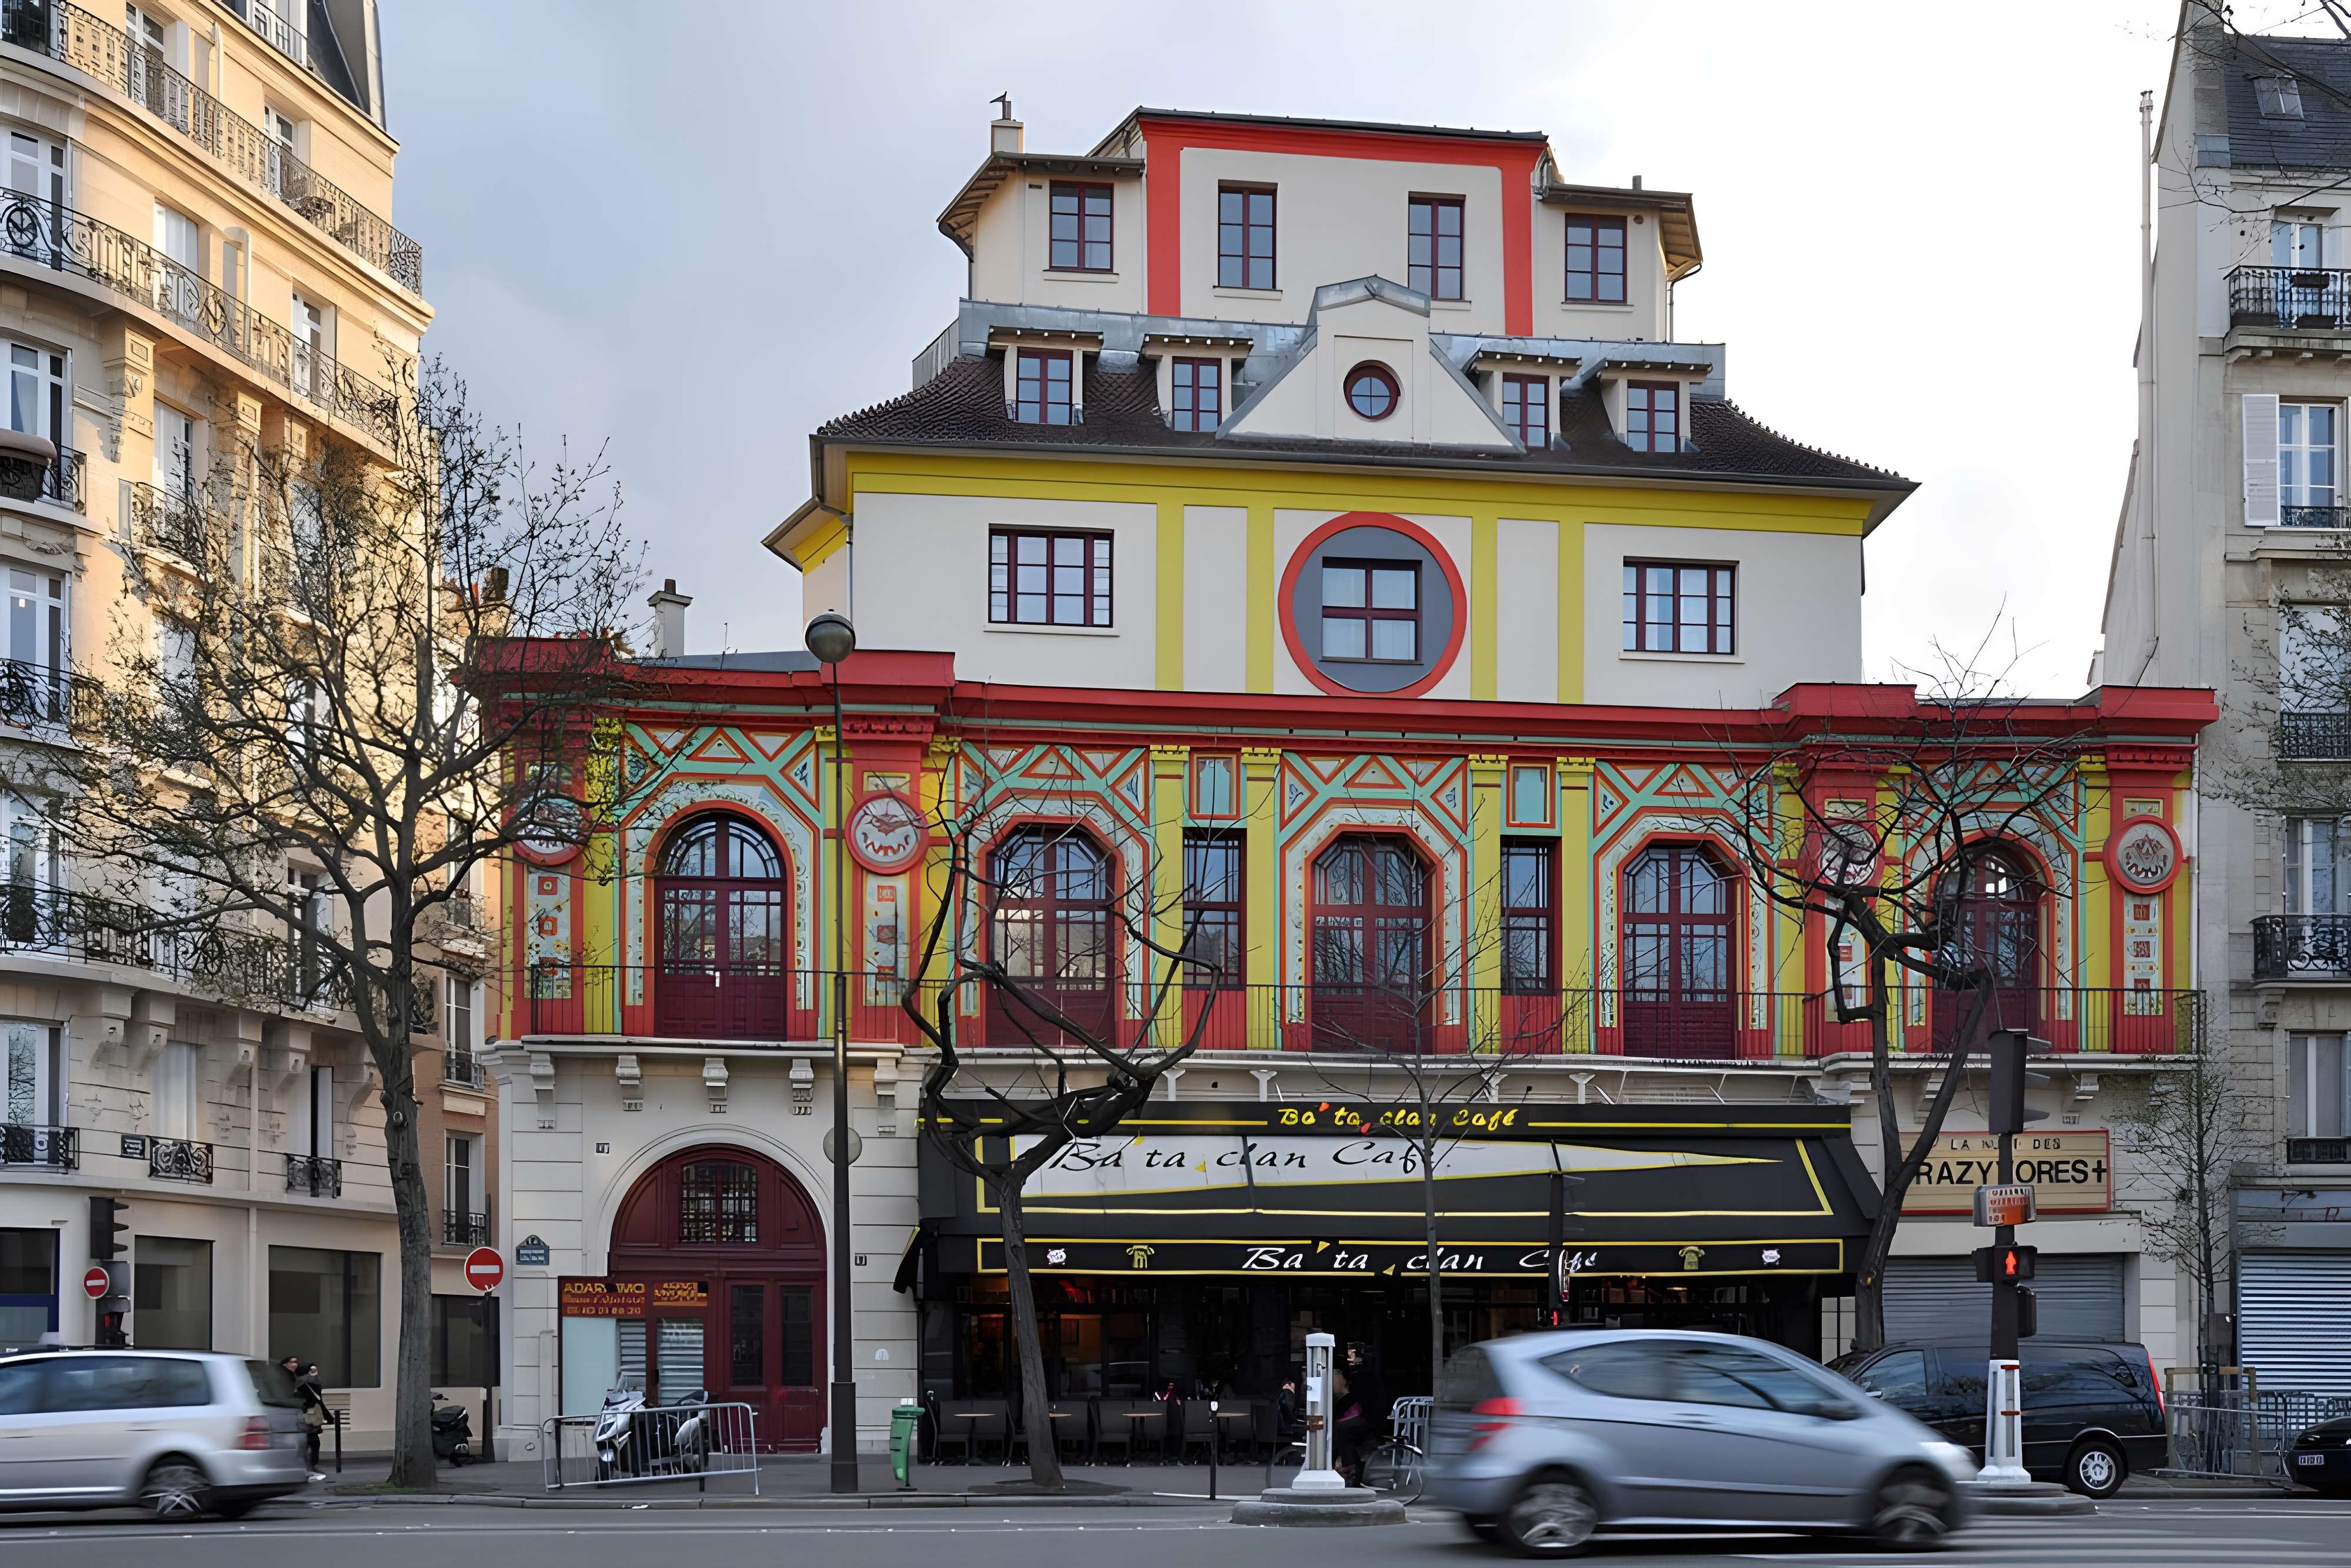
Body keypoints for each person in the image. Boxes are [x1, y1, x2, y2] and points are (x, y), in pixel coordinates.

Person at [1332, 1342, 1384, 1486]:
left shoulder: (1362, 1379)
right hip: (1369, 1417)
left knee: (1343, 1428)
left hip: (1369, 1419)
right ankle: (1350, 1465)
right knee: (1343, 1429)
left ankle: (1350, 1465)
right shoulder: (1367, 1378)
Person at [282, 1355, 327, 1477]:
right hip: (305, 1415)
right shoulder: (301, 1386)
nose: (315, 1373)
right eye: (312, 1371)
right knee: (308, 1441)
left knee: (313, 1441)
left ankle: (311, 1464)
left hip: (313, 1416)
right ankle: (306, 1465)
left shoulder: (315, 1384)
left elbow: (319, 1401)